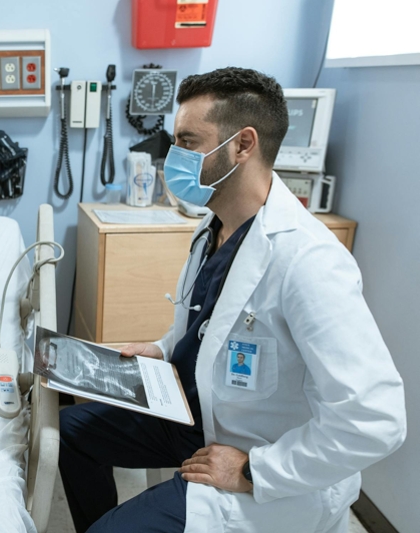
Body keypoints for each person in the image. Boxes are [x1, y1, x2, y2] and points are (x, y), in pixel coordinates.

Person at [58, 67, 406, 533]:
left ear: (243, 145)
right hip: (193, 414)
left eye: (187, 141)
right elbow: (213, 321)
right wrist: (162, 349)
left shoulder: (309, 261)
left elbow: (376, 419)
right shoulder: (214, 226)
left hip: (254, 457)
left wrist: (253, 471)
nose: (172, 155)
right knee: (68, 435)